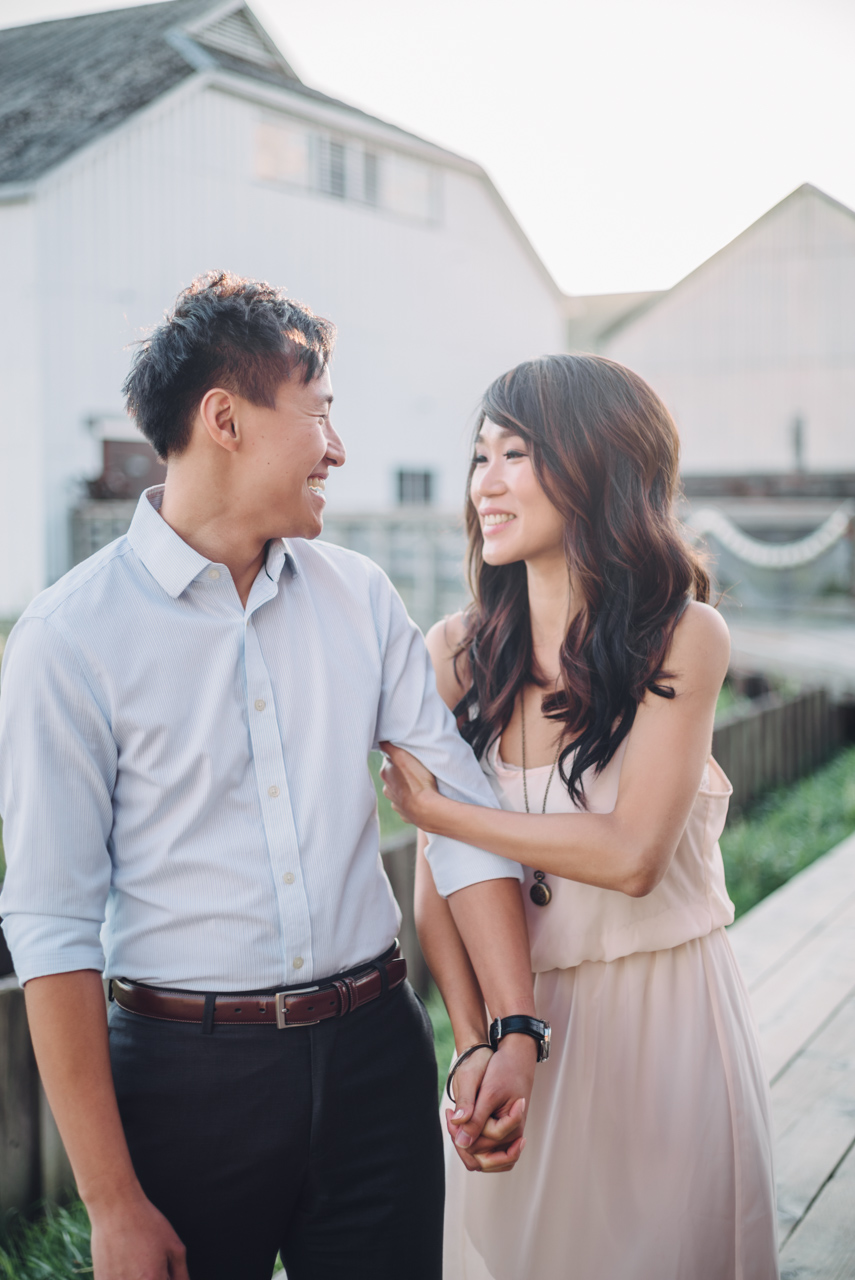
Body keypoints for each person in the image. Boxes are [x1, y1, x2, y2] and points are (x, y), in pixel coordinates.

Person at [0, 272, 546, 1280]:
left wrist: (510, 1025)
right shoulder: (67, 640)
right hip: (183, 1084)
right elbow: (52, 926)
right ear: (224, 419)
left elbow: (461, 813)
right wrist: (112, 1201)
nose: (338, 449)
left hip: (379, 1056)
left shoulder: (360, 594)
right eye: (321, 416)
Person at [380, 354, 779, 1280]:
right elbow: (440, 887)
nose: (486, 482)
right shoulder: (454, 652)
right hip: (521, 1027)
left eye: (515, 454)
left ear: (599, 465)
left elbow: (632, 853)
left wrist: (448, 812)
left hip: (665, 1022)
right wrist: (476, 1043)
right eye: (479, 456)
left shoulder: (682, 636)